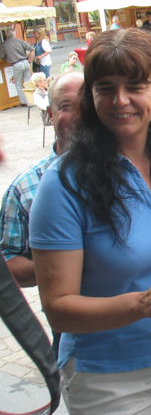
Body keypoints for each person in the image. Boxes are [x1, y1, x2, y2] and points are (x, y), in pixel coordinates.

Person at [28, 28, 151, 413]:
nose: (120, 100)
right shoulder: (63, 184)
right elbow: (57, 307)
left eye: (135, 86)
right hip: (108, 378)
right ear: (91, 98)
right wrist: (138, 304)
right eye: (105, 88)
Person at [0, 71, 83, 289]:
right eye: (66, 106)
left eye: (87, 106)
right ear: (50, 114)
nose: (79, 115)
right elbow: (8, 260)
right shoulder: (25, 189)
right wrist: (63, 265)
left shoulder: (132, 171)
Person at [0, 28, 34, 106]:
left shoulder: (4, 44)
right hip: (25, 62)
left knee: (18, 84)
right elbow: (32, 50)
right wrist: (30, 60)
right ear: (14, 34)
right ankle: (30, 100)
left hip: (16, 64)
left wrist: (7, 57)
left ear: (6, 35)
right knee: (27, 82)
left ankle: (24, 102)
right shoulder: (20, 41)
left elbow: (2, 56)